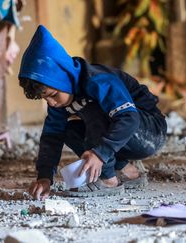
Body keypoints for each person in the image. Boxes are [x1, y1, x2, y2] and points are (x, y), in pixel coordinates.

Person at [18, 25, 167, 200]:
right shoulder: (60, 96)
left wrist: (99, 154)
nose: (51, 103)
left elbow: (129, 118)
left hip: (149, 131)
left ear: (64, 76)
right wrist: (44, 177)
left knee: (94, 110)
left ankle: (108, 180)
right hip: (124, 135)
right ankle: (129, 172)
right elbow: (52, 136)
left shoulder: (98, 80)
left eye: (53, 95)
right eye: (46, 99)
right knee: (68, 129)